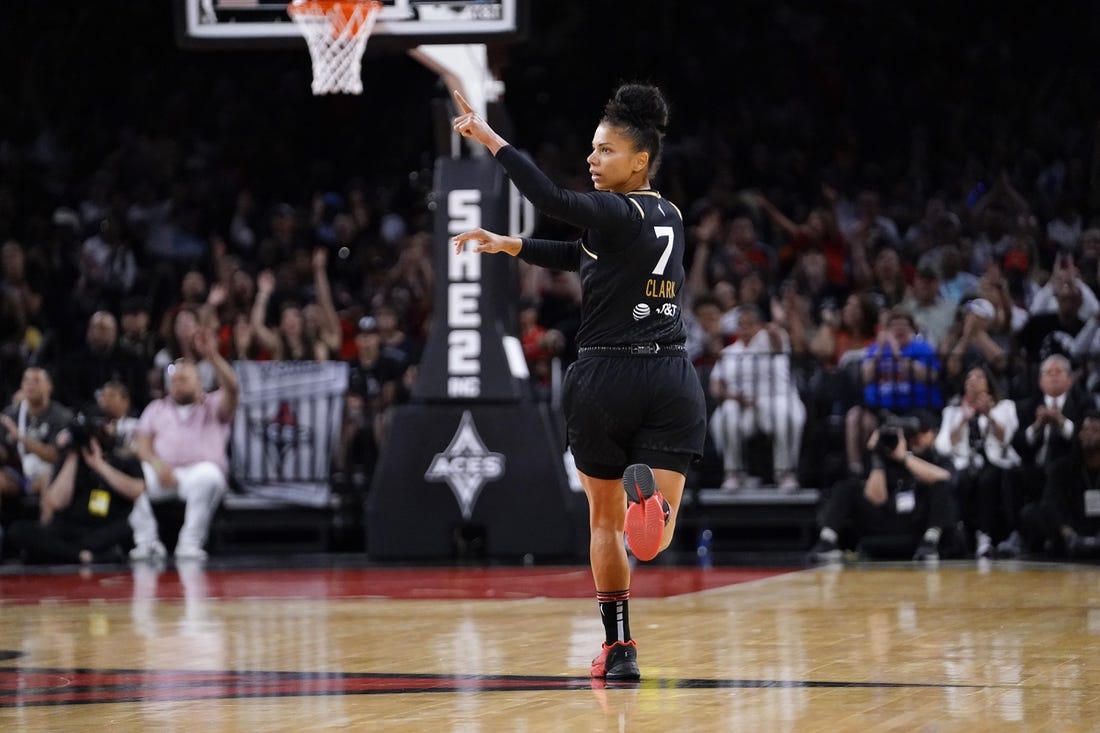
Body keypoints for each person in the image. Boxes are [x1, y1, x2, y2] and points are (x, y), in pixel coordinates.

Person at [451, 84, 706, 681]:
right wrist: (510, 244)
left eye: (606, 151)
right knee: (654, 539)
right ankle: (654, 514)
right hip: (669, 375)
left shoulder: (614, 210)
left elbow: (548, 196)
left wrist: (490, 139)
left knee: (603, 521)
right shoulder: (664, 214)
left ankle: (618, 649)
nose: (593, 159)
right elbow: (584, 257)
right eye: (592, 149)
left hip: (603, 378)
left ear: (639, 160)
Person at [128, 326, 239, 562]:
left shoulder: (214, 403)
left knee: (209, 477)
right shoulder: (156, 408)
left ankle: (189, 543)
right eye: (174, 380)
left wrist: (212, 356)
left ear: (199, 382)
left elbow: (233, 387)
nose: (178, 383)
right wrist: (158, 466)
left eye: (184, 378)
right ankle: (147, 542)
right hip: (163, 472)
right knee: (130, 479)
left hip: (198, 473)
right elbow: (142, 446)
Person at [809, 409, 955, 562]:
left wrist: (905, 457)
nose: (916, 438)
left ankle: (930, 542)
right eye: (911, 434)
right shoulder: (885, 456)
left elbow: (945, 478)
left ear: (934, 434)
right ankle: (827, 541)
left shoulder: (936, 457)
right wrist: (877, 456)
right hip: (886, 520)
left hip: (918, 524)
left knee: (941, 486)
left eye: (923, 432)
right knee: (844, 487)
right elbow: (876, 499)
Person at [7, 414, 144, 564]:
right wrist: (73, 456)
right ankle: (83, 556)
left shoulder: (122, 460)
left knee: (126, 530)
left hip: (103, 529)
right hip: (68, 529)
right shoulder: (68, 460)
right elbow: (57, 502)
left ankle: (63, 553)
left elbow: (136, 490)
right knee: (18, 530)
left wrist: (99, 465)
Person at [709, 304, 805, 492]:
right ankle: (734, 473)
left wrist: (776, 324)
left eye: (751, 324)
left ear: (760, 326)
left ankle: (785, 473)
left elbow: (777, 341)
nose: (746, 330)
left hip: (773, 401)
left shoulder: (768, 340)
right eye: (741, 325)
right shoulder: (729, 352)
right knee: (727, 412)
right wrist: (735, 397)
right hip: (744, 407)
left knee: (783, 414)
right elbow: (716, 387)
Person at [933, 365, 1020, 558]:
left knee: (986, 481)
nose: (973, 382)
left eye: (979, 377)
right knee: (959, 480)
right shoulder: (952, 412)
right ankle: (958, 535)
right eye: (969, 378)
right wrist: (963, 419)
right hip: (965, 464)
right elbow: (943, 447)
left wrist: (989, 414)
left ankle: (985, 537)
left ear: (988, 384)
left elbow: (1005, 438)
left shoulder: (1005, 407)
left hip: (996, 462)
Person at [0, 367, 73, 499]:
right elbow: (4, 452)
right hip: (17, 474)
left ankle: (47, 520)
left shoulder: (61, 416)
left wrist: (21, 438)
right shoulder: (11, 414)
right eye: (26, 380)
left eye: (36, 381)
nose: (30, 384)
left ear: (49, 387)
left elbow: (55, 456)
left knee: (48, 479)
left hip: (47, 474)